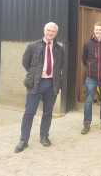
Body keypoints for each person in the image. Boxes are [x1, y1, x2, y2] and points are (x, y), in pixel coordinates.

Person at [14, 22, 65, 153]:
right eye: (48, 30)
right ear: (44, 31)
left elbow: (61, 65)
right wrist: (34, 75)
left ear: (56, 33)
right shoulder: (33, 46)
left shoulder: (60, 49)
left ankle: (44, 136)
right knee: (29, 112)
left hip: (52, 84)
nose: (50, 33)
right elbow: (25, 62)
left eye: (53, 31)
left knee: (48, 112)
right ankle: (23, 140)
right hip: (36, 83)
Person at [81, 22, 101, 134]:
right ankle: (86, 124)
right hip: (91, 78)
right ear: (94, 30)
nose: (98, 31)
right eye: (96, 30)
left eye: (100, 30)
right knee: (88, 102)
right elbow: (84, 59)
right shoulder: (87, 44)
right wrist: (91, 68)